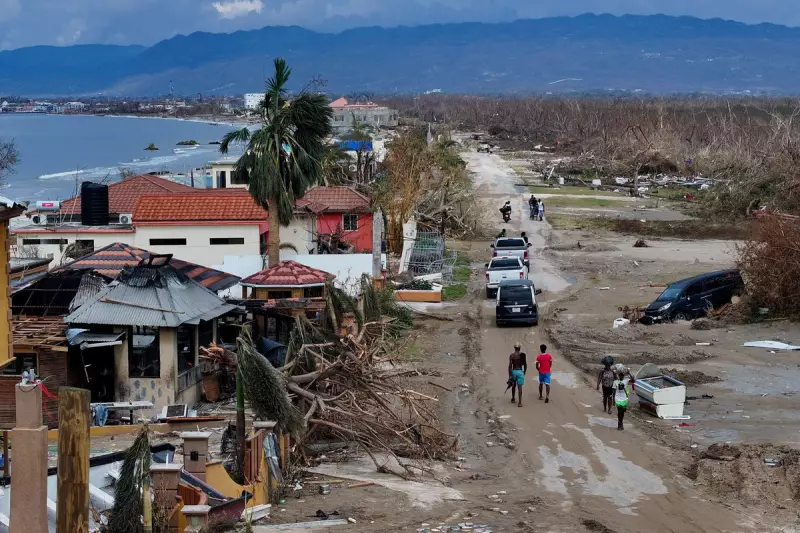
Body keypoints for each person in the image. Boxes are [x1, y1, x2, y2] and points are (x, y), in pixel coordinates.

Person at [508, 342, 528, 407]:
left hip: (514, 371)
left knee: (513, 385)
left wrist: (510, 375)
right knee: (520, 387)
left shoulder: (512, 355)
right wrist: (524, 371)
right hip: (520, 371)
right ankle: (519, 402)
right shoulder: (523, 355)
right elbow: (525, 364)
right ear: (519, 348)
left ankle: (513, 398)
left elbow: (510, 366)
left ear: (514, 348)